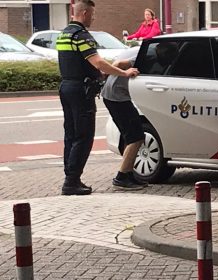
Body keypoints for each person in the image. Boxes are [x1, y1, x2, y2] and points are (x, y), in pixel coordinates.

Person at [56, 0, 139, 196]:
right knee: (83, 136)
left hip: (66, 87)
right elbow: (98, 62)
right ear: (84, 13)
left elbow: (75, 63)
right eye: (92, 14)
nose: (93, 18)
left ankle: (70, 176)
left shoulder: (64, 34)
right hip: (81, 91)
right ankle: (72, 182)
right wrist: (124, 73)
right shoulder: (82, 36)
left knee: (70, 134)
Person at [101, 47, 148, 190]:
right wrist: (106, 73)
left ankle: (127, 173)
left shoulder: (137, 49)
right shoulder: (146, 54)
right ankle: (121, 177)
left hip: (113, 95)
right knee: (136, 137)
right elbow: (120, 64)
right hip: (117, 97)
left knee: (132, 136)